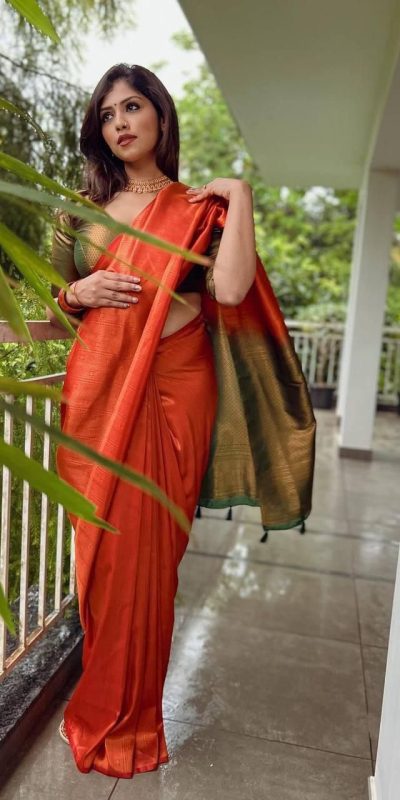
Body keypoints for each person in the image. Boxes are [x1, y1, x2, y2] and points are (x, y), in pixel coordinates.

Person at [47, 63, 316, 778]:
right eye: (107, 115)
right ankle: (100, 708)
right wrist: (76, 293)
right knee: (104, 561)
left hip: (176, 389)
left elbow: (229, 288)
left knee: (149, 563)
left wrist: (241, 196)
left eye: (133, 107)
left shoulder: (199, 210)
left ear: (161, 117)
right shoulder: (76, 212)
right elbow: (47, 307)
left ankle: (134, 723)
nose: (120, 123)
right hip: (99, 394)